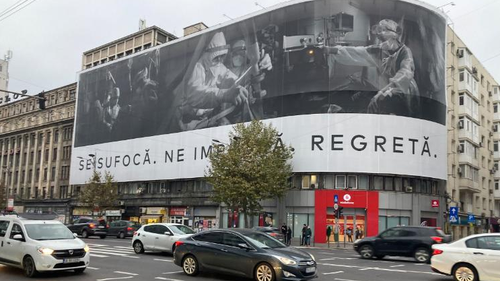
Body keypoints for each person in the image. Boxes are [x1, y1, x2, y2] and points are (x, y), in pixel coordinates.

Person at [324, 19, 419, 117]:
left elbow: (405, 73)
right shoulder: (379, 50)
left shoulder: (405, 52)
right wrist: (332, 50)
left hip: (402, 88)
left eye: (384, 35)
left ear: (395, 35)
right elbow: (357, 52)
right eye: (380, 38)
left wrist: (382, 93)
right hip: (387, 89)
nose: (381, 41)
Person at [178, 32, 248, 131]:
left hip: (207, 117)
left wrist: (240, 83)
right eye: (216, 56)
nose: (219, 59)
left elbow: (228, 76)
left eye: (222, 55)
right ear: (208, 54)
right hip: (189, 122)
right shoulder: (197, 67)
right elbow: (195, 94)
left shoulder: (217, 64)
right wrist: (223, 95)